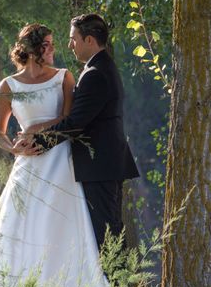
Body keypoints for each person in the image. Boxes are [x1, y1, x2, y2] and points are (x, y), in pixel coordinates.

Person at [0, 23, 137, 287]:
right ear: (34, 49)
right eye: (49, 44)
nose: (55, 49)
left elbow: (70, 119)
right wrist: (15, 149)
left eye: (57, 43)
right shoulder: (7, 86)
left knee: (66, 226)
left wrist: (36, 132)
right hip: (28, 162)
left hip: (61, 159)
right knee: (24, 226)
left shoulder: (64, 77)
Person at [28, 13, 140, 251]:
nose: (70, 45)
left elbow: (76, 122)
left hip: (100, 165)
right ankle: (113, 283)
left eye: (73, 39)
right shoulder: (99, 67)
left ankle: (116, 285)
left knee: (106, 233)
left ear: (89, 40)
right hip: (102, 164)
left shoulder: (96, 73)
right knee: (107, 230)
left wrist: (38, 142)